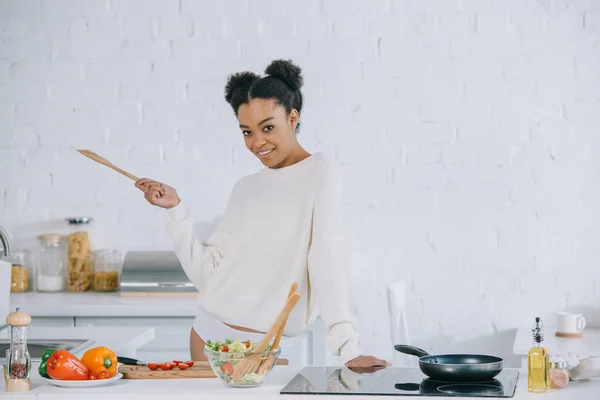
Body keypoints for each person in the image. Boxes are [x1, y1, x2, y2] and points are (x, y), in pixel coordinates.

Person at [135, 59, 390, 369]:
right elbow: (208, 275)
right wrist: (176, 210)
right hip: (209, 335)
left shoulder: (320, 170)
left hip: (272, 348)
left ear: (292, 117)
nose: (257, 142)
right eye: (246, 132)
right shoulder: (246, 188)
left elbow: (327, 254)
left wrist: (348, 348)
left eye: (267, 127)